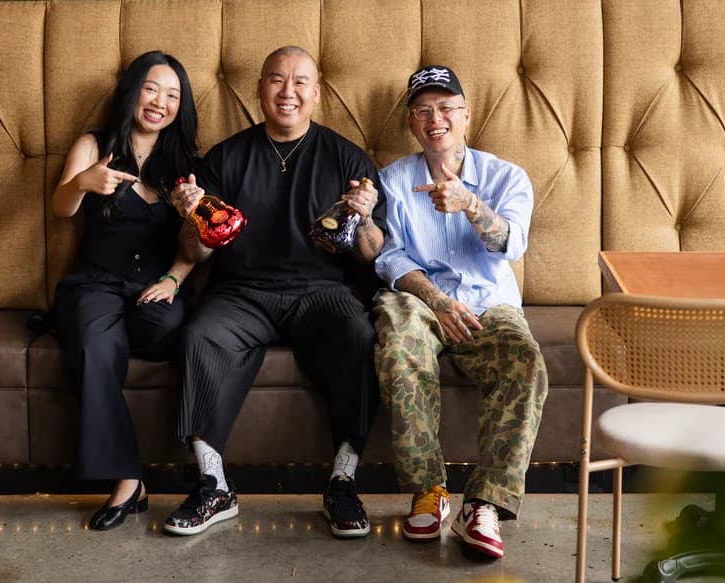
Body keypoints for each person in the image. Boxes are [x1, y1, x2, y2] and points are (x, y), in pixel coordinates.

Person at [163, 46, 386, 538]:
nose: (288, 92)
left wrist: (366, 218)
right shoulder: (226, 157)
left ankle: (343, 483)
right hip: (243, 292)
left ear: (317, 93)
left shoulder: (347, 158)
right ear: (260, 88)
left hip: (321, 290)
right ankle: (213, 485)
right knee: (200, 335)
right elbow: (197, 253)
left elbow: (370, 255)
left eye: (300, 82)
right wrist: (192, 216)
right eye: (276, 80)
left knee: (358, 334)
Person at [373, 65, 548, 558]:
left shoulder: (505, 177)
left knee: (525, 363)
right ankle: (428, 490)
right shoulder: (393, 180)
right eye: (424, 110)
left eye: (447, 108)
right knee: (398, 345)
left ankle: (484, 504)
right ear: (411, 122)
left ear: (466, 115)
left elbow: (511, 243)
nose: (436, 119)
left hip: (488, 302)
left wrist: (471, 205)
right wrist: (436, 300)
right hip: (420, 299)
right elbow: (389, 256)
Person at [50, 50, 199, 531]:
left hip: (153, 288)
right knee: (95, 347)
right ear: (133, 91)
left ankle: (90, 332)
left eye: (172, 95)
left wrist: (173, 278)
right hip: (95, 283)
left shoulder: (185, 163)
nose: (160, 102)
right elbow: (61, 207)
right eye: (151, 89)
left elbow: (196, 247)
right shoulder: (94, 144)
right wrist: (83, 182)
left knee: (166, 328)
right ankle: (127, 480)